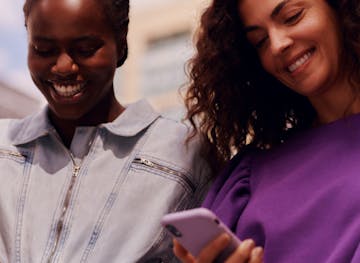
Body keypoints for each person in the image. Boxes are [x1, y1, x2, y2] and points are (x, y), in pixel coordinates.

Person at [0, 0, 212, 262]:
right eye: (44, 50)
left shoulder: (186, 155)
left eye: (85, 49)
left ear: (121, 41)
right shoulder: (3, 147)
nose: (64, 67)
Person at [174, 0, 360, 262]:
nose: (277, 44)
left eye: (292, 17)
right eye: (260, 41)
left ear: (341, 9)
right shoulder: (250, 174)